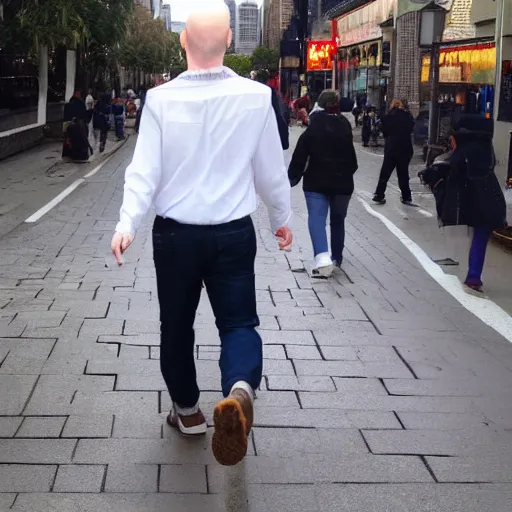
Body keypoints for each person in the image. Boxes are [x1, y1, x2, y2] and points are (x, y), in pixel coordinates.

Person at [111, 1, 292, 467]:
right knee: (238, 322)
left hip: (176, 238)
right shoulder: (257, 97)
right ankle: (238, 388)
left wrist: (127, 222)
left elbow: (143, 172)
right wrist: (281, 219)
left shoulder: (161, 99)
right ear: (230, 41)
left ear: (181, 41)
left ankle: (188, 413)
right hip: (233, 233)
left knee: (177, 325)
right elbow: (271, 170)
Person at [420, 114, 506, 295]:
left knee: (478, 236)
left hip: (471, 201)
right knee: (480, 237)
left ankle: (473, 277)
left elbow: (447, 174)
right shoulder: (486, 149)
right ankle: (474, 276)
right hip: (492, 199)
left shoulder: (460, 154)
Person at [288, 90, 358, 277]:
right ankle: (337, 256)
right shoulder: (345, 127)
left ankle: (322, 259)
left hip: (316, 182)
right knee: (338, 220)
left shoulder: (313, 128)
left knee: (317, 220)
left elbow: (300, 157)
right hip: (343, 183)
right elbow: (353, 160)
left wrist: (292, 178)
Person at [373, 99, 415, 205]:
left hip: (391, 148)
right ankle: (406, 196)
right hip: (405, 148)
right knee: (403, 173)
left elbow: (384, 131)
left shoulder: (387, 117)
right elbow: (411, 128)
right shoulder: (407, 116)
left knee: (385, 173)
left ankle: (379, 194)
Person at [252, 70, 289, 150]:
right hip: (269, 133)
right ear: (268, 80)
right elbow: (281, 114)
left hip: (254, 135)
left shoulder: (251, 93)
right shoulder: (272, 93)